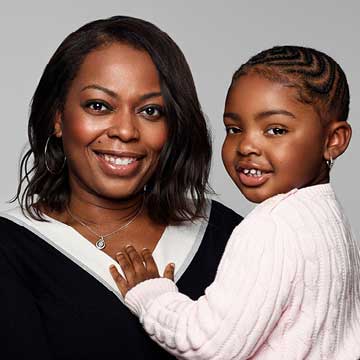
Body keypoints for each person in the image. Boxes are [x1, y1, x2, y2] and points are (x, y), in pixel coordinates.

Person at [0, 16, 242, 359]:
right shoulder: (11, 248)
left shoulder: (230, 236)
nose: (125, 131)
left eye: (150, 110)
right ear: (58, 117)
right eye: (99, 106)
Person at [111, 46, 360, 359]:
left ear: (333, 140)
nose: (246, 146)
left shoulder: (270, 227)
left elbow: (206, 344)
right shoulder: (330, 220)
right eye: (235, 128)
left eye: (276, 130)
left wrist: (151, 296)